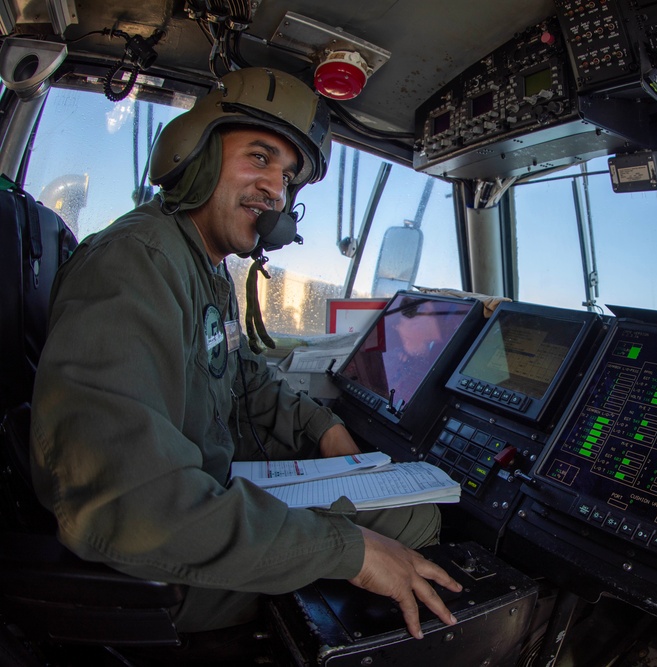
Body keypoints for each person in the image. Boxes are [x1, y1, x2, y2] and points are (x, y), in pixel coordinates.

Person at [29, 67, 461, 640]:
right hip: (155, 568)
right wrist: (349, 551)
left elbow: (239, 373)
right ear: (197, 155)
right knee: (418, 518)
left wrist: (321, 426)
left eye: (286, 178)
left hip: (197, 504)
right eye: (259, 158)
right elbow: (135, 502)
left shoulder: (200, 268)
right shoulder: (134, 264)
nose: (275, 191)